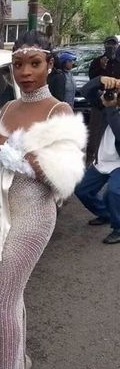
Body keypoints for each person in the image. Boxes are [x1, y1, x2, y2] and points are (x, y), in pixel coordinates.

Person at [0, 30, 87, 369]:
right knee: (11, 295)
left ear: (49, 64)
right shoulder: (7, 106)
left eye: (34, 64)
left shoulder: (57, 110)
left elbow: (64, 179)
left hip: (35, 215)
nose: (25, 72)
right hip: (2, 212)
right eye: (18, 64)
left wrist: (17, 155)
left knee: (2, 300)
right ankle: (18, 359)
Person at [74, 75, 120, 244]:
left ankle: (119, 227)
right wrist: (100, 80)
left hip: (118, 164)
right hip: (103, 161)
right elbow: (87, 91)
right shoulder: (108, 104)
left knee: (114, 192)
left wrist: (111, 108)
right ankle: (106, 214)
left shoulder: (110, 108)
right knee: (81, 190)